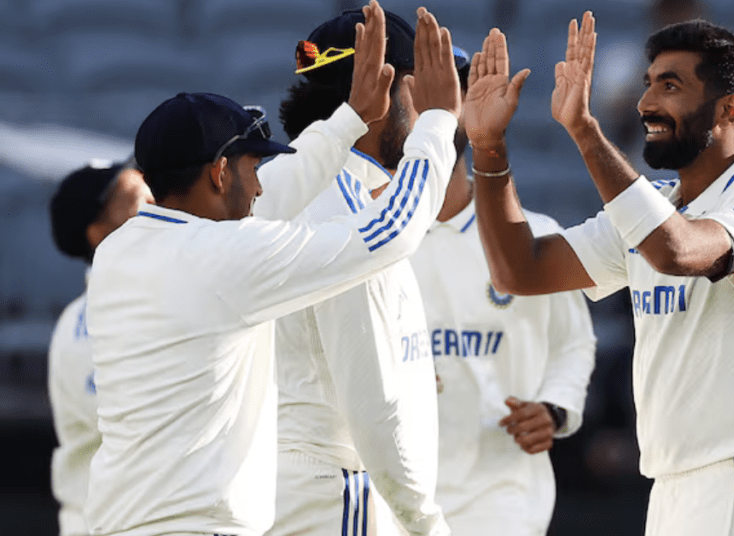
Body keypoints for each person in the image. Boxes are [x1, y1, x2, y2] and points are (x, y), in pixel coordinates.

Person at [83, 3, 462, 535]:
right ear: (219, 173)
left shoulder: (121, 250)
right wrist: (439, 121)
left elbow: (284, 191)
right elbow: (390, 233)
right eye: (254, 166)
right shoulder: (225, 258)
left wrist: (352, 117)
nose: (262, 185)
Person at [465, 15, 734, 536]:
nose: (645, 103)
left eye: (670, 86)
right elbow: (520, 270)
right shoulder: (655, 207)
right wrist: (488, 147)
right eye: (648, 84)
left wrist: (585, 131)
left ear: (728, 109)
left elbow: (677, 251)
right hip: (672, 490)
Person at [262, 7, 461, 536]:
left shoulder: (289, 184)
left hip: (301, 488)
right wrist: (427, 524)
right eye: (422, 89)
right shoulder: (345, 208)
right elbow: (373, 402)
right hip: (336, 491)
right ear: (388, 85)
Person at [409, 58, 597, 536]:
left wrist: (554, 408)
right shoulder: (373, 240)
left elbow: (573, 343)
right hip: (396, 491)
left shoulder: (535, 235)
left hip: (503, 494)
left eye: (451, 99)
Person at [47, 160, 154, 536]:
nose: (156, 202)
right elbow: (139, 425)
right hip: (109, 525)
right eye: (139, 199)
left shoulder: (89, 313)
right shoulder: (88, 321)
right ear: (97, 233)